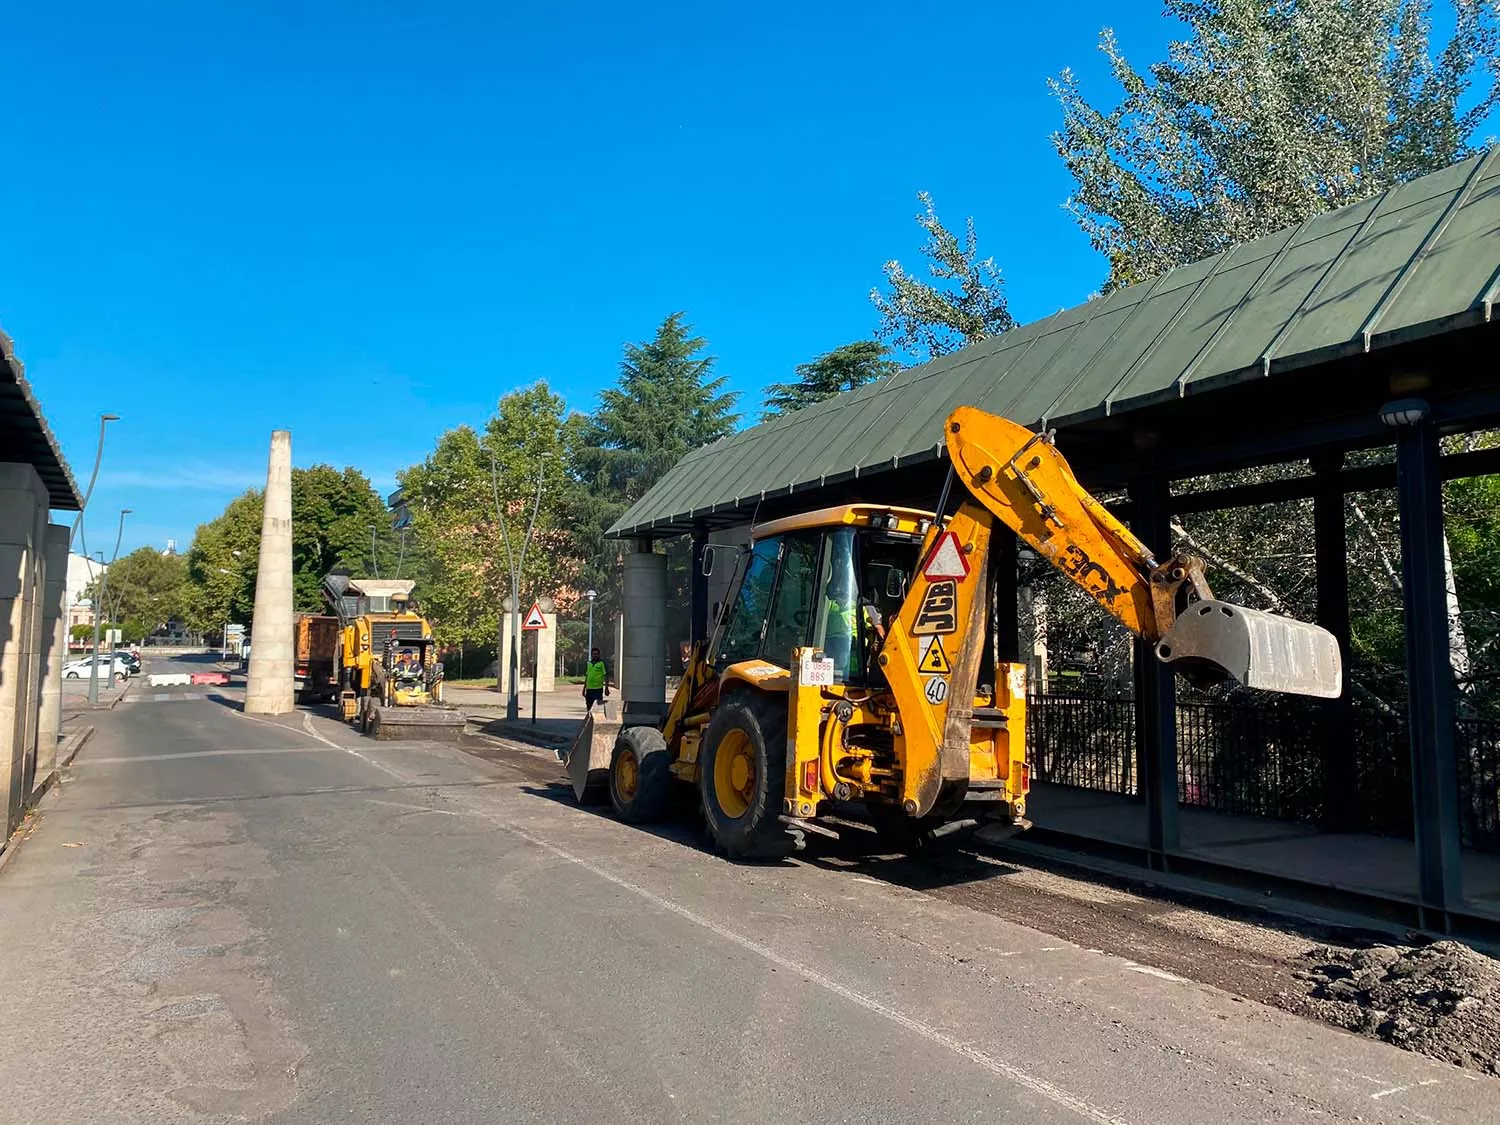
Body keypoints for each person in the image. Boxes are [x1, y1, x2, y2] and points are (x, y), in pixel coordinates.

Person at [583, 647, 609, 716]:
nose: (595, 655)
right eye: (594, 654)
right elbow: (587, 676)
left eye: (597, 654)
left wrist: (606, 688)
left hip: (598, 689)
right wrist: (584, 688)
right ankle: (589, 720)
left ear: (599, 655)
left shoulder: (601, 664)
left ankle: (596, 720)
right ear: (591, 655)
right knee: (589, 706)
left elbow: (606, 675)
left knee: (597, 706)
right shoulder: (589, 663)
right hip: (589, 689)